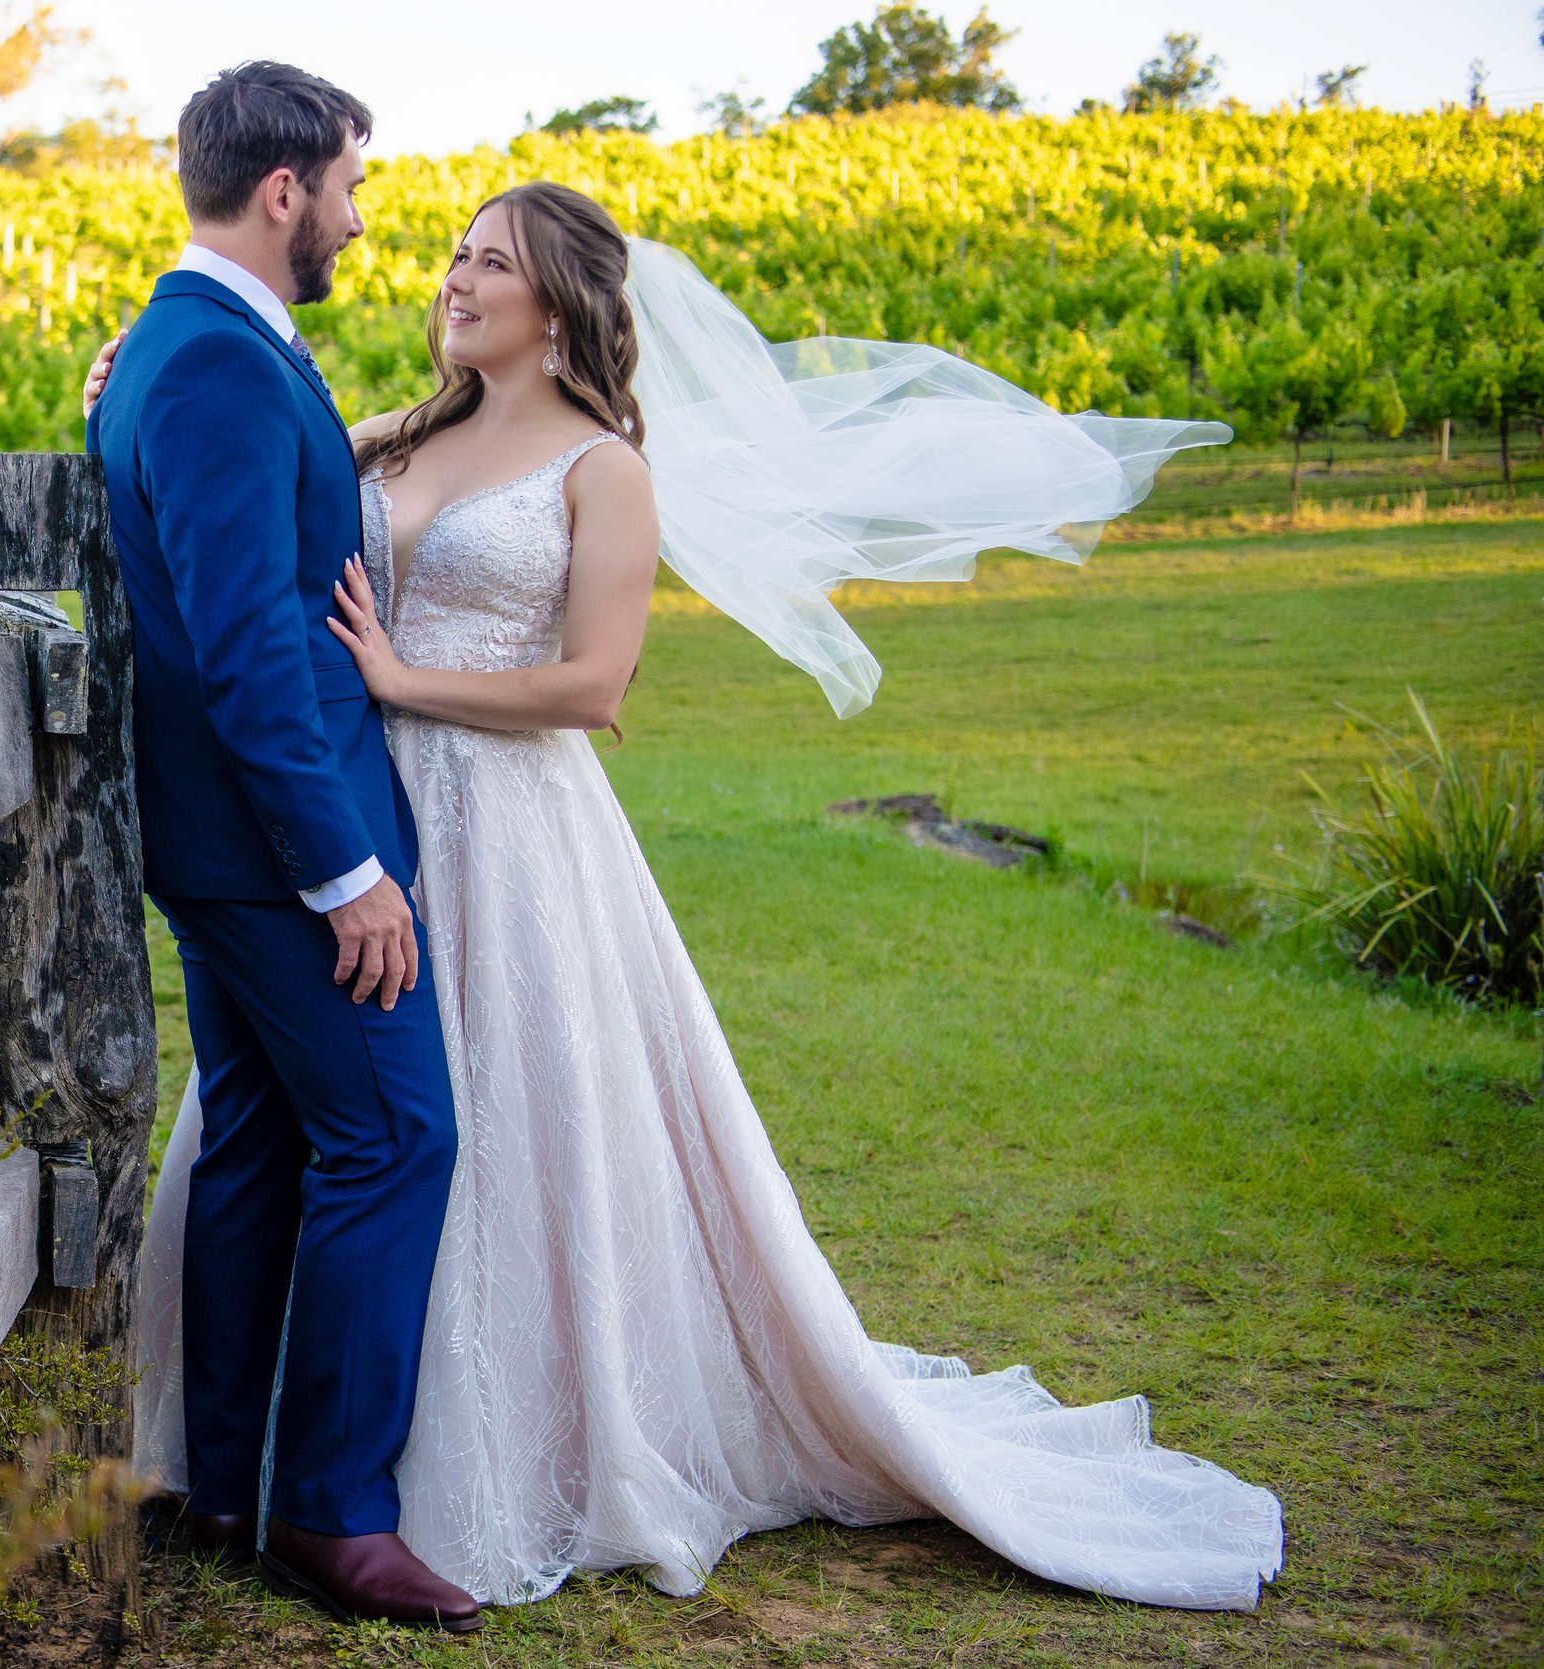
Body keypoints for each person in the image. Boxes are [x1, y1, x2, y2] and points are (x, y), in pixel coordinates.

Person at [96, 173, 1287, 1612]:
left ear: (560, 308)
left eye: (491, 264)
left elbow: (595, 687)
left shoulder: (605, 470)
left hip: (510, 826)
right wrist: (125, 387)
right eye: (458, 255)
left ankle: (484, 1440)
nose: (455, 279)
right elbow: (240, 475)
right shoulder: (391, 436)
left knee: (494, 1120)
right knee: (324, 1124)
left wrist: (405, 679)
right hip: (359, 818)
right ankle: (264, 1457)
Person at [83, 62, 480, 1632]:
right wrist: (344, 871)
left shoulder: (182, 347)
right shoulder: (214, 365)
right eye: (351, 189)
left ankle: (223, 1478)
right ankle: (331, 1509)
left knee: (256, 1134)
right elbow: (245, 646)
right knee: (394, 1137)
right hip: (274, 848)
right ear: (282, 192)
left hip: (228, 842)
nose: (361, 221)